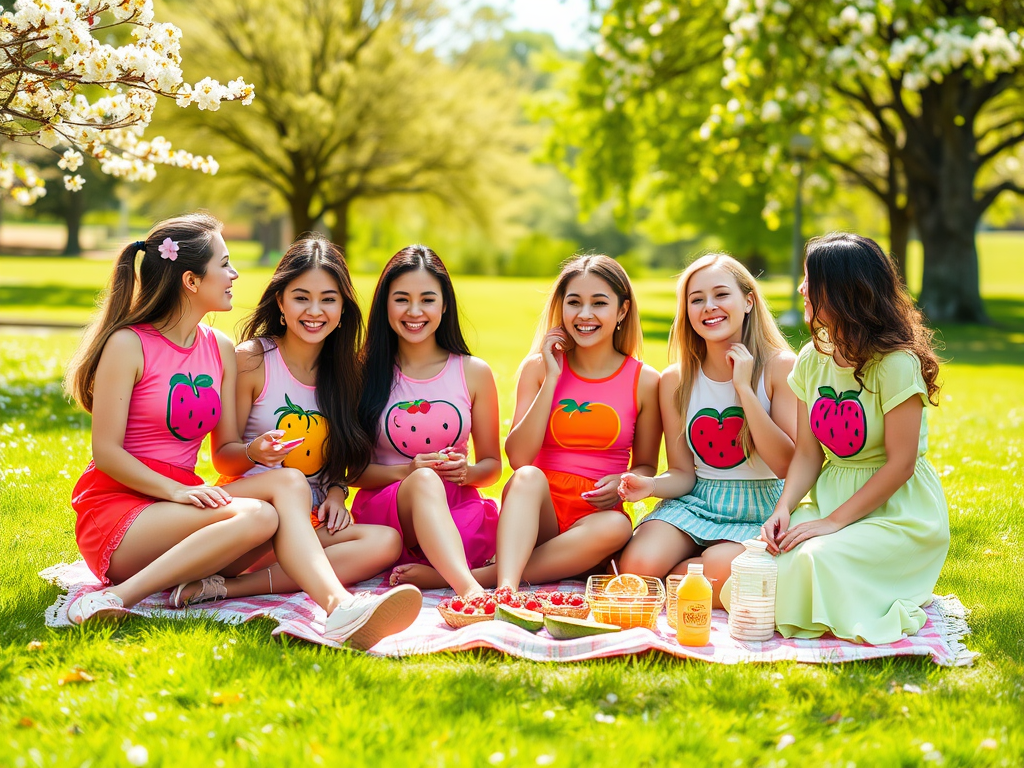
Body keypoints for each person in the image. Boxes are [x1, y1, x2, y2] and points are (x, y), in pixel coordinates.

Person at [63, 214, 420, 649]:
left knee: (281, 495)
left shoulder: (220, 349)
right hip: (121, 510)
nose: (234, 275)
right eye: (225, 264)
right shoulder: (129, 344)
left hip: (185, 504)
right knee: (261, 512)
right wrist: (175, 492)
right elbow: (106, 453)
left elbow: (227, 449)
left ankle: (336, 607)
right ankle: (117, 596)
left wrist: (264, 459)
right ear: (192, 280)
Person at [397, 254, 661, 592]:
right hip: (537, 515)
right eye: (574, 302)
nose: (584, 315)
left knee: (618, 527)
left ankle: (481, 580)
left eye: (599, 303)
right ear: (561, 307)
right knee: (527, 476)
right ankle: (507, 590)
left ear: (622, 310)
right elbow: (519, 458)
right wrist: (552, 378)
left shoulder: (645, 381)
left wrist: (624, 482)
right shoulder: (539, 368)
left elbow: (646, 467)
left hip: (596, 520)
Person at [167, 234, 403, 605]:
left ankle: (225, 589)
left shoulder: (348, 373)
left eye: (328, 299)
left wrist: (338, 495)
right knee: (276, 518)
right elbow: (223, 457)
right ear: (280, 301)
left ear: (343, 309)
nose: (315, 311)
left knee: (385, 541)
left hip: (307, 522)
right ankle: (329, 598)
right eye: (301, 297)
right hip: (249, 518)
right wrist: (255, 452)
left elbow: (344, 461)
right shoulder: (252, 359)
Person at [755, 232, 949, 644]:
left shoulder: (896, 364)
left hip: (898, 512)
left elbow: (902, 464)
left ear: (843, 290)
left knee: (818, 559)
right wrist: (784, 508)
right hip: (833, 495)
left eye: (810, 279)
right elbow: (808, 453)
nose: (800, 288)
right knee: (766, 560)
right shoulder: (812, 357)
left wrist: (831, 523)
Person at [617, 253, 797, 607]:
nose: (708, 307)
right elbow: (684, 474)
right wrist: (652, 486)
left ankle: (678, 583)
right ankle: (675, 581)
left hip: (758, 508)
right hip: (697, 502)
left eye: (720, 295)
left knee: (720, 570)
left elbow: (786, 465)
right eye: (696, 299)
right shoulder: (676, 379)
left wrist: (744, 389)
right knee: (638, 565)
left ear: (748, 300)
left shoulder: (780, 367)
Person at [350, 245, 501, 599]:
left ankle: (437, 573)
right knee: (422, 482)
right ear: (385, 304)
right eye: (401, 299)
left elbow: (493, 467)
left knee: (467, 523)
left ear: (444, 305)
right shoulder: (361, 373)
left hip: (456, 509)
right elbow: (351, 472)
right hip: (390, 512)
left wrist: (465, 473)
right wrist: (408, 471)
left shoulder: (473, 372)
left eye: (427, 300)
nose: (414, 311)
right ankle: (470, 590)